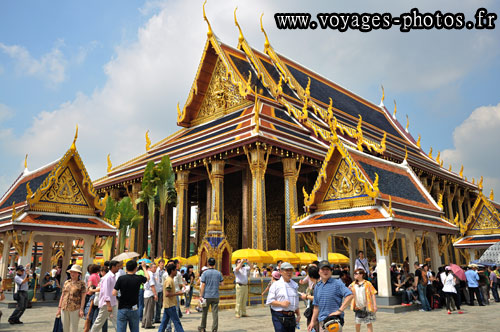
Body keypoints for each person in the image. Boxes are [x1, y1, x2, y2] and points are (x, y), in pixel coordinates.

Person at [308, 260, 353, 332]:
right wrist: (312, 321)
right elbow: (316, 306)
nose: (325, 271)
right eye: (323, 269)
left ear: (331, 271)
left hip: (334, 321)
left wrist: (340, 310)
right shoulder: (317, 286)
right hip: (322, 322)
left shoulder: (337, 283)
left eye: (327, 269)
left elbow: (350, 295)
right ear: (319, 271)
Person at [113, 260, 149, 332]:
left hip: (122, 308)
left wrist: (120, 296)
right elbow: (147, 278)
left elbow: (114, 292)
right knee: (135, 329)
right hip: (134, 308)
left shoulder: (121, 278)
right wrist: (144, 267)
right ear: (136, 268)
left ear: (126, 268)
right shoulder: (138, 278)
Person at [266, 262, 300, 332]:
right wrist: (281, 304)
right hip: (279, 316)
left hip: (291, 316)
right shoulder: (275, 285)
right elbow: (269, 301)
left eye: (291, 270)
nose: (289, 272)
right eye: (287, 270)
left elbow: (295, 301)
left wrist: (298, 314)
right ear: (281, 272)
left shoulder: (294, 285)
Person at [91, 260, 120, 332]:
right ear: (113, 267)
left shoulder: (113, 277)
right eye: (117, 266)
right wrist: (108, 305)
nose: (118, 268)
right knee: (99, 322)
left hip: (113, 302)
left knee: (117, 321)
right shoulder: (108, 277)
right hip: (107, 304)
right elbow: (106, 292)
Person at [57, 264, 86, 332]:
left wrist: (81, 309)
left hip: (75, 308)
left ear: (78, 274)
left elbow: (83, 297)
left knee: (74, 327)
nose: (73, 274)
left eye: (75, 272)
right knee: (65, 327)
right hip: (64, 307)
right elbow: (62, 295)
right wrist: (59, 307)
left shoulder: (81, 284)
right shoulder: (67, 282)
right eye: (72, 272)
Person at [198, 257, 224, 332]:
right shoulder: (218, 273)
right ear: (215, 264)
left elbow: (203, 285)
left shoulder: (205, 273)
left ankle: (202, 327)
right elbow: (222, 284)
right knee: (215, 313)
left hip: (206, 296)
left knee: (204, 313)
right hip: (215, 295)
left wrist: (200, 295)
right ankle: (214, 329)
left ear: (208, 264)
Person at [158, 264, 186, 332]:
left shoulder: (170, 280)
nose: (176, 271)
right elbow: (167, 294)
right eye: (175, 270)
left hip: (168, 304)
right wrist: (178, 293)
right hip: (170, 305)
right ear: (172, 271)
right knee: (176, 322)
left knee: (164, 322)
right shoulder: (169, 281)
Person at [300, 265, 319, 332]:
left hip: (316, 312)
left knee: (314, 328)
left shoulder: (318, 285)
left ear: (310, 276)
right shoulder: (316, 284)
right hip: (314, 310)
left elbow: (317, 298)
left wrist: (306, 296)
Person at [142, 263, 158, 329]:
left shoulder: (147, 273)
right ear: (150, 268)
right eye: (154, 267)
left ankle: (144, 322)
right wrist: (155, 294)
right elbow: (152, 285)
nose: (155, 269)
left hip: (146, 293)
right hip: (150, 294)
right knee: (149, 310)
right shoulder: (150, 274)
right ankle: (148, 324)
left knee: (146, 310)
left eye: (156, 267)